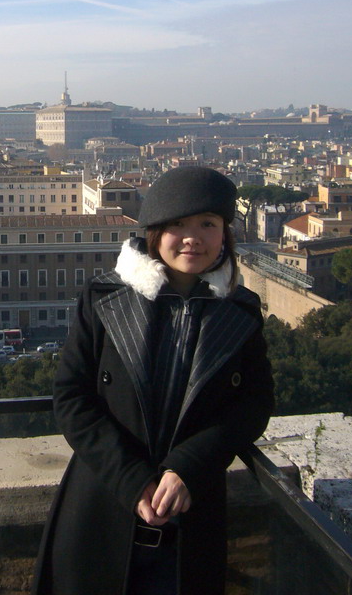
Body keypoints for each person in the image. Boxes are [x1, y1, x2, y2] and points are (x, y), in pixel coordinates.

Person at [33, 166, 274, 595]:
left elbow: (254, 405)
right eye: (178, 224)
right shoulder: (103, 298)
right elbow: (72, 399)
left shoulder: (243, 311)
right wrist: (133, 479)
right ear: (154, 233)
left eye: (207, 224)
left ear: (224, 235)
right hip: (103, 500)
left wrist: (189, 467)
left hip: (190, 507)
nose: (192, 238)